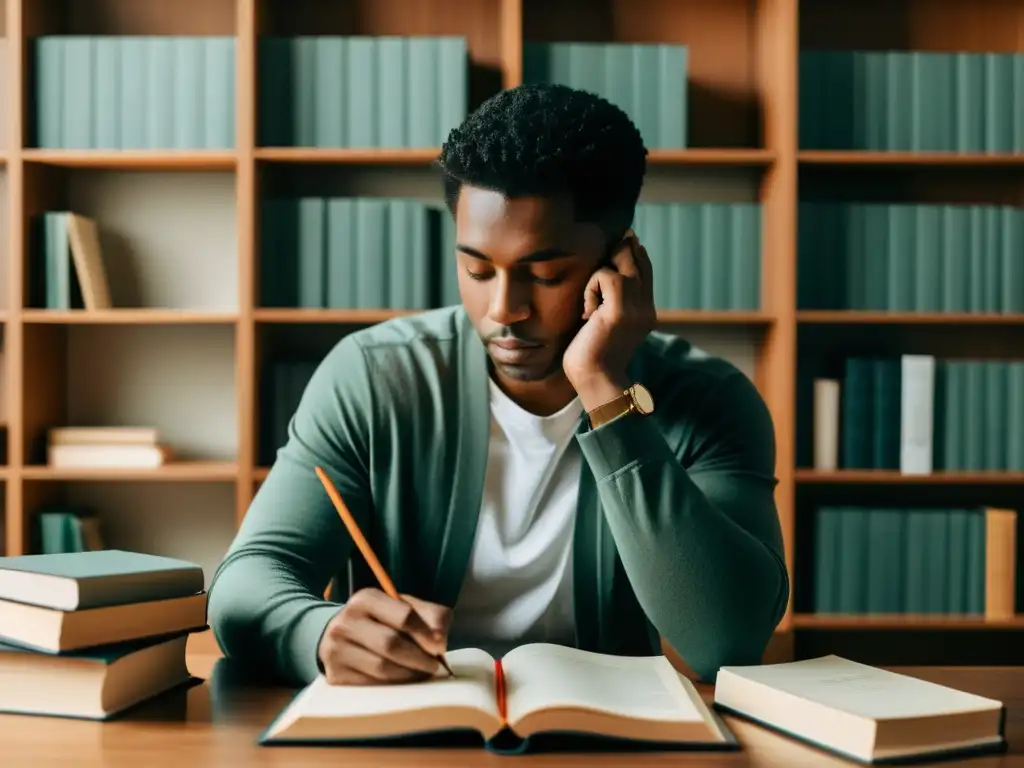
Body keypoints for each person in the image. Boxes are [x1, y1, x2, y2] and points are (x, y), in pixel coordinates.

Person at [207, 83, 789, 689]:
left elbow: (724, 639)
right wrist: (320, 634)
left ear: (621, 262)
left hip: (603, 740)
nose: (503, 309)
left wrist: (603, 390)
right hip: (413, 726)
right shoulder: (374, 378)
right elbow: (245, 582)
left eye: (545, 274)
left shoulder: (708, 399)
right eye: (477, 269)